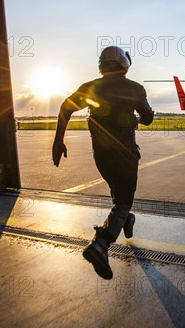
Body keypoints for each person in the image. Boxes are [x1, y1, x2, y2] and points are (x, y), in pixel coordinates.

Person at [52, 46, 154, 280]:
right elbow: (147, 119)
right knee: (123, 201)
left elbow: (66, 108)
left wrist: (58, 141)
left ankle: (127, 220)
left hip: (101, 157)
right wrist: (141, 116)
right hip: (126, 155)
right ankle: (100, 244)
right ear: (124, 64)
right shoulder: (135, 88)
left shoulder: (90, 87)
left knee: (119, 198)